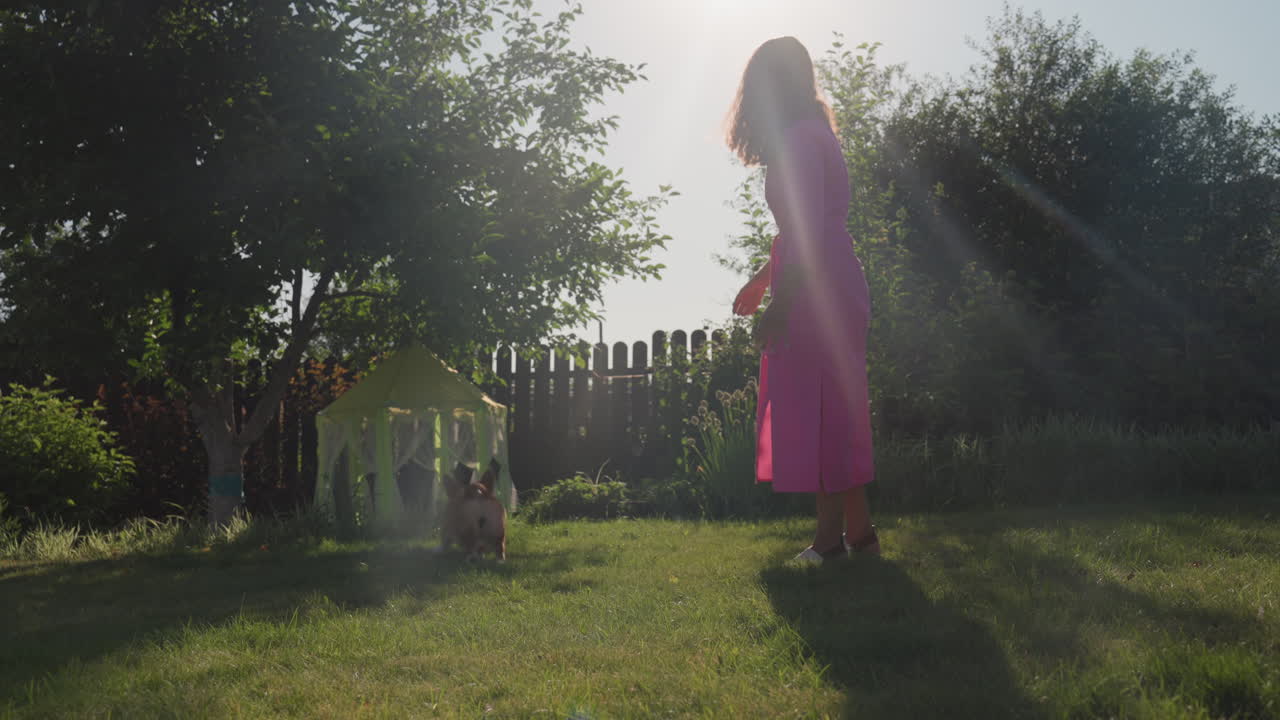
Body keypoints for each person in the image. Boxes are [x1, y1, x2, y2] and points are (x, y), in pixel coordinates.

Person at [728, 36, 879, 563]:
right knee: (836, 407)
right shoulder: (814, 133)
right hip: (831, 280)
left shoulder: (799, 140)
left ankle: (828, 544)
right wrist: (763, 279)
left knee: (824, 412)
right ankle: (859, 538)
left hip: (821, 290)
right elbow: (804, 231)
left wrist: (779, 303)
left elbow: (808, 236)